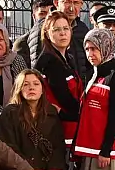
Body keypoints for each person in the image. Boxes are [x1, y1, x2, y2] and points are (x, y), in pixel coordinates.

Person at [73, 27, 115, 170]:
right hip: (92, 149)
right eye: (87, 49)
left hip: (108, 154)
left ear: (106, 47)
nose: (90, 54)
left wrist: (106, 150)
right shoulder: (95, 74)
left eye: (94, 49)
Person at [0, 69, 69, 170]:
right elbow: (8, 148)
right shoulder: (9, 113)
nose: (31, 88)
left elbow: (58, 148)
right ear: (19, 89)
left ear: (42, 89)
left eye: (36, 84)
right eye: (26, 84)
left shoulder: (51, 113)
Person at [34, 12, 84, 156]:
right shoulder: (49, 61)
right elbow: (63, 98)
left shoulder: (67, 58)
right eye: (56, 30)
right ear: (47, 34)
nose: (63, 33)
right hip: (57, 131)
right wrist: (83, 115)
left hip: (69, 128)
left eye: (66, 29)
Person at [15, 0, 54, 66]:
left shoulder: (63, 38)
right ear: (34, 17)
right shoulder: (21, 43)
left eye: (52, 13)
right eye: (42, 14)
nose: (48, 17)